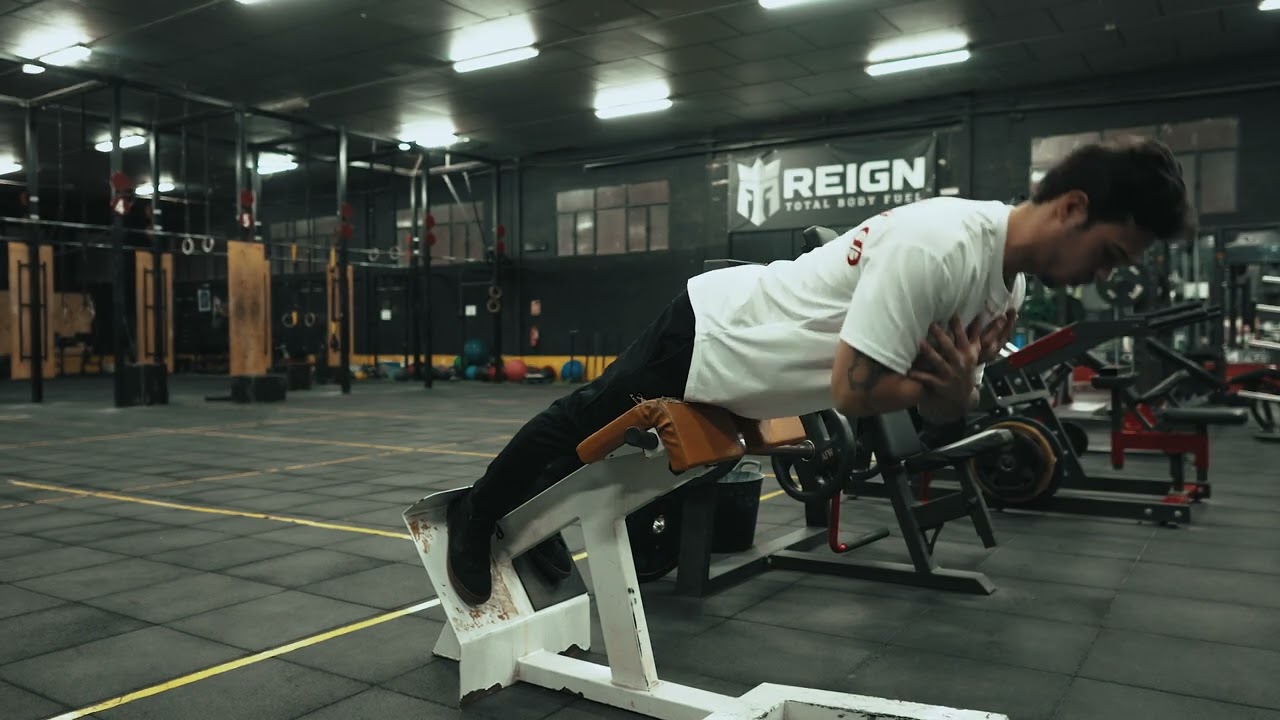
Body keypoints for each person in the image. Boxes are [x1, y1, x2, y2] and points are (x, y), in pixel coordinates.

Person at [446, 138, 1193, 606]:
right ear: (1072, 208)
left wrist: (952, 393)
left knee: (614, 452)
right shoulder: (939, 246)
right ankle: (479, 516)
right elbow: (855, 391)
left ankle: (531, 521)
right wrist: (946, 390)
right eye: (1109, 255)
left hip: (749, 376)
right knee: (585, 420)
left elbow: (941, 411)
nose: (1102, 275)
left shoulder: (1009, 287)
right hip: (716, 331)